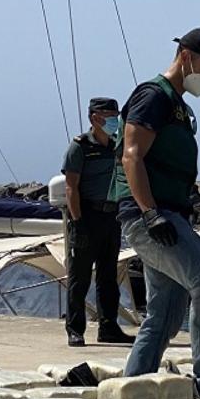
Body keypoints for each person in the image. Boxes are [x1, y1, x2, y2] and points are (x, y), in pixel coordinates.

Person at [108, 28, 200, 399]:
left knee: (165, 310)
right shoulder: (153, 97)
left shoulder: (178, 105)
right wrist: (150, 214)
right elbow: (132, 155)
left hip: (169, 213)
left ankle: (131, 389)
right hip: (151, 216)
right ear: (187, 56)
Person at [61, 97, 136, 347]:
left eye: (116, 115)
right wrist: (78, 221)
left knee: (108, 277)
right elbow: (71, 187)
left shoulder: (117, 145)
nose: (115, 120)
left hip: (111, 217)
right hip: (86, 216)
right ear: (95, 118)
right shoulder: (80, 147)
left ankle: (108, 328)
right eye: (109, 115)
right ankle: (75, 329)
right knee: (79, 277)